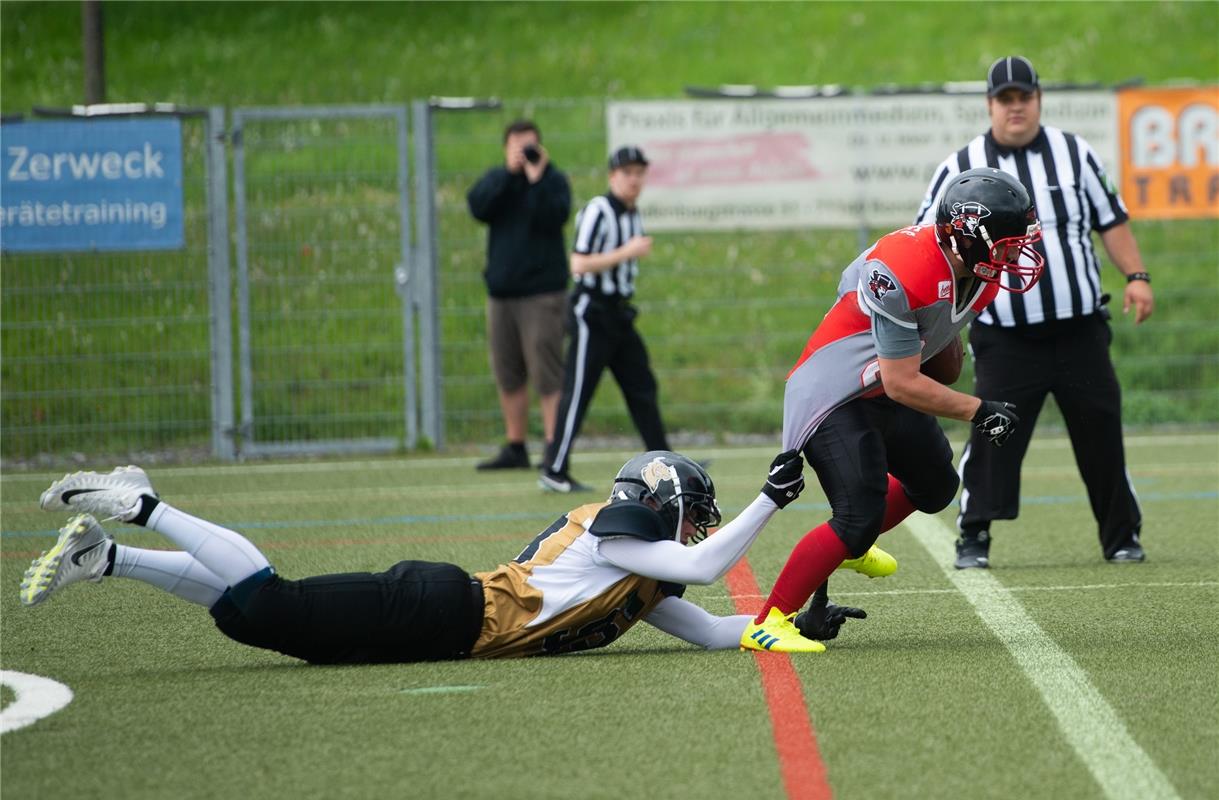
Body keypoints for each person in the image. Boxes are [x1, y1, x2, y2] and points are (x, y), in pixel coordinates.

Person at [21, 454, 889, 662]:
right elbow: (702, 569)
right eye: (691, 514)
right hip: (444, 607)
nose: (695, 532)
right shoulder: (611, 526)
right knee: (272, 601)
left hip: (448, 625)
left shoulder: (632, 573)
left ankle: (107, 562)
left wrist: (780, 620)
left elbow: (703, 625)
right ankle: (140, 502)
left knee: (252, 623)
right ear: (662, 499)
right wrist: (770, 503)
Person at [751, 167, 1044, 633]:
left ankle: (847, 547)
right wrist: (978, 409)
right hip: (834, 395)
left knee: (934, 484)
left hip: (878, 387)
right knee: (855, 517)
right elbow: (902, 383)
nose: (1017, 254)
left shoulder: (979, 274)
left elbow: (935, 355)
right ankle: (769, 623)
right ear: (969, 237)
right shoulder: (904, 266)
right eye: (1008, 243)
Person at [914, 55, 1154, 568]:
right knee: (992, 431)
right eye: (1005, 99)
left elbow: (1111, 220)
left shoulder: (1076, 154)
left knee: (1102, 433)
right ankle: (974, 534)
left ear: (1038, 99)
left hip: (1080, 330)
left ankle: (1121, 536)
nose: (1015, 107)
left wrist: (1137, 277)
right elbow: (929, 240)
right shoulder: (960, 167)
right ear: (990, 105)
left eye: (1024, 97)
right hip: (1006, 336)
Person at [539, 146, 670, 493]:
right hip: (592, 311)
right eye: (627, 173)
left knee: (642, 386)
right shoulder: (598, 211)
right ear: (613, 176)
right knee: (578, 389)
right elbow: (578, 264)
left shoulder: (632, 213)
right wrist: (626, 252)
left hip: (619, 313)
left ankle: (667, 463)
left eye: (640, 173)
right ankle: (554, 468)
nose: (634, 180)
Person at [467, 120, 572, 471]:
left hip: (542, 295)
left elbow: (555, 215)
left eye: (529, 146)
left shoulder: (552, 181)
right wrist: (508, 175)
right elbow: (477, 207)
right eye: (516, 146)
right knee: (508, 371)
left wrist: (536, 177)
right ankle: (516, 445)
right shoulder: (498, 182)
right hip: (502, 295)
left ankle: (553, 449)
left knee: (547, 374)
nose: (524, 153)